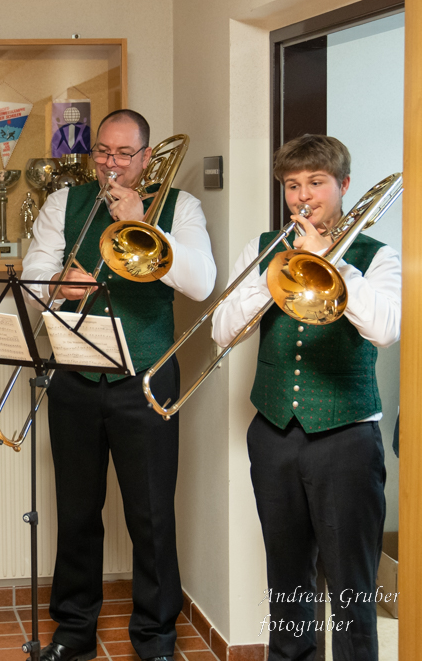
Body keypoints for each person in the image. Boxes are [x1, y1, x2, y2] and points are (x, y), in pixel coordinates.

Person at [22, 109, 216, 661]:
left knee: (150, 513)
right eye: (103, 152)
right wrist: (57, 284)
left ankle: (156, 638)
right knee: (76, 509)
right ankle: (74, 629)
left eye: (124, 154)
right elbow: (34, 278)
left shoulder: (182, 207)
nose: (111, 164)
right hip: (75, 373)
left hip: (146, 377)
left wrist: (147, 226)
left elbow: (202, 282)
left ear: (146, 157)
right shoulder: (64, 203)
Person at [211, 134, 399, 661]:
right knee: (287, 577)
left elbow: (385, 330)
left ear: (343, 185)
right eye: (292, 185)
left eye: (316, 182)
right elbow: (222, 331)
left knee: (351, 582)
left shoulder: (378, 257)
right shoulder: (264, 248)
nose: (303, 196)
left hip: (347, 437)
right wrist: (269, 275)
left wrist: (334, 265)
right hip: (273, 433)